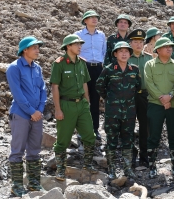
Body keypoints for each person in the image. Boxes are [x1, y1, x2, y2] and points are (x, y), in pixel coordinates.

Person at [50, 34, 97, 181]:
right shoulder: (59, 63)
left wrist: (87, 101)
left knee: (90, 135)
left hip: (81, 104)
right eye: (76, 44)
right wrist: (57, 109)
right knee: (63, 139)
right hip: (66, 104)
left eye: (80, 44)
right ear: (68, 46)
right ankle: (60, 169)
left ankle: (88, 165)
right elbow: (55, 87)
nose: (79, 46)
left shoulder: (82, 62)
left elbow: (85, 83)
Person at [6, 36, 46, 197]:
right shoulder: (13, 68)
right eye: (34, 48)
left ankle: (34, 184)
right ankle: (16, 186)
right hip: (21, 114)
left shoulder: (37, 68)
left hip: (37, 114)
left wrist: (40, 110)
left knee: (35, 151)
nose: (38, 50)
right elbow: (18, 94)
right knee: (17, 151)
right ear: (25, 50)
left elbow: (43, 89)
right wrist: (31, 111)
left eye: (38, 47)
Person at [96, 41, 141, 180]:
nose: (123, 53)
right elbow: (99, 86)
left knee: (128, 140)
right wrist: (109, 99)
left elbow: (138, 87)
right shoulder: (108, 69)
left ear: (130, 54)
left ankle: (128, 169)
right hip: (112, 112)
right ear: (115, 54)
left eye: (126, 51)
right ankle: (112, 170)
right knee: (112, 141)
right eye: (120, 51)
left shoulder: (134, 69)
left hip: (129, 112)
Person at [144, 37, 174, 178]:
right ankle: (152, 167)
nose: (169, 48)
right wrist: (162, 98)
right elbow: (149, 83)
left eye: (170, 46)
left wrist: (170, 96)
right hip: (155, 105)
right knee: (154, 136)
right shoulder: (150, 64)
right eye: (166, 46)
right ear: (158, 50)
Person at [74, 10, 107, 140]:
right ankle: (82, 129)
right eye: (91, 17)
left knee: (95, 99)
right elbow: (74, 51)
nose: (94, 19)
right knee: (82, 98)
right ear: (85, 21)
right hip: (84, 67)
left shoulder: (101, 35)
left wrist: (102, 64)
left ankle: (95, 129)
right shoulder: (78, 34)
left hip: (97, 68)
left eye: (96, 17)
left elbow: (103, 52)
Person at [127, 29, 153, 167]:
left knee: (145, 126)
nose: (138, 44)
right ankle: (131, 154)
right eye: (135, 42)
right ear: (130, 43)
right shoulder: (125, 58)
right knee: (129, 125)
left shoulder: (149, 58)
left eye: (141, 42)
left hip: (145, 95)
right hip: (129, 96)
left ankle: (144, 155)